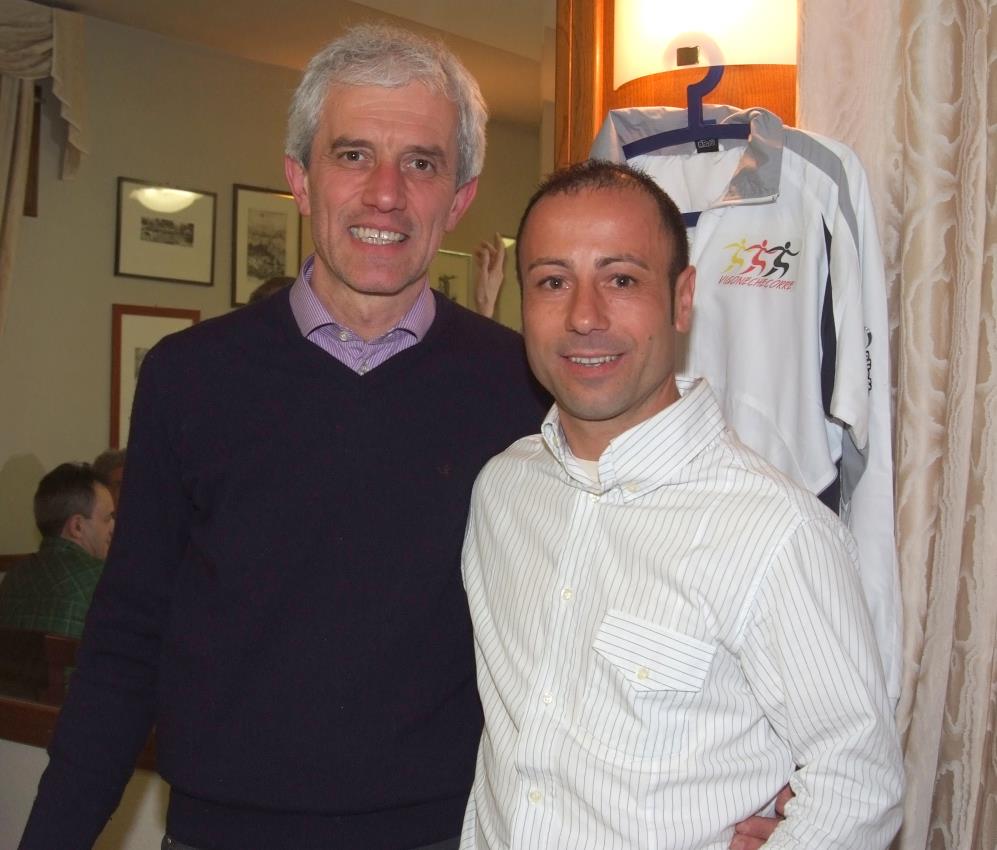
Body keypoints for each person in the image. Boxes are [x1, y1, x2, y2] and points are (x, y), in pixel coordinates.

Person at [19, 25, 547, 850]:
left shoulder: (521, 387)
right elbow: (127, 636)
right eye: (352, 155)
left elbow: (577, 626)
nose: (385, 193)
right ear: (299, 179)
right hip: (218, 833)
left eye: (420, 162)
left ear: (458, 197)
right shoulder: (189, 378)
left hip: (445, 832)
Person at [459, 160, 904, 850]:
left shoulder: (774, 531)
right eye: (552, 281)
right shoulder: (502, 493)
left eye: (621, 279)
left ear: (682, 298)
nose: (584, 316)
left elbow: (858, 783)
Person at [0, 463, 114, 639]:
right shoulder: (104, 580)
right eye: (108, 518)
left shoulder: (11, 579)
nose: (114, 528)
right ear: (77, 527)